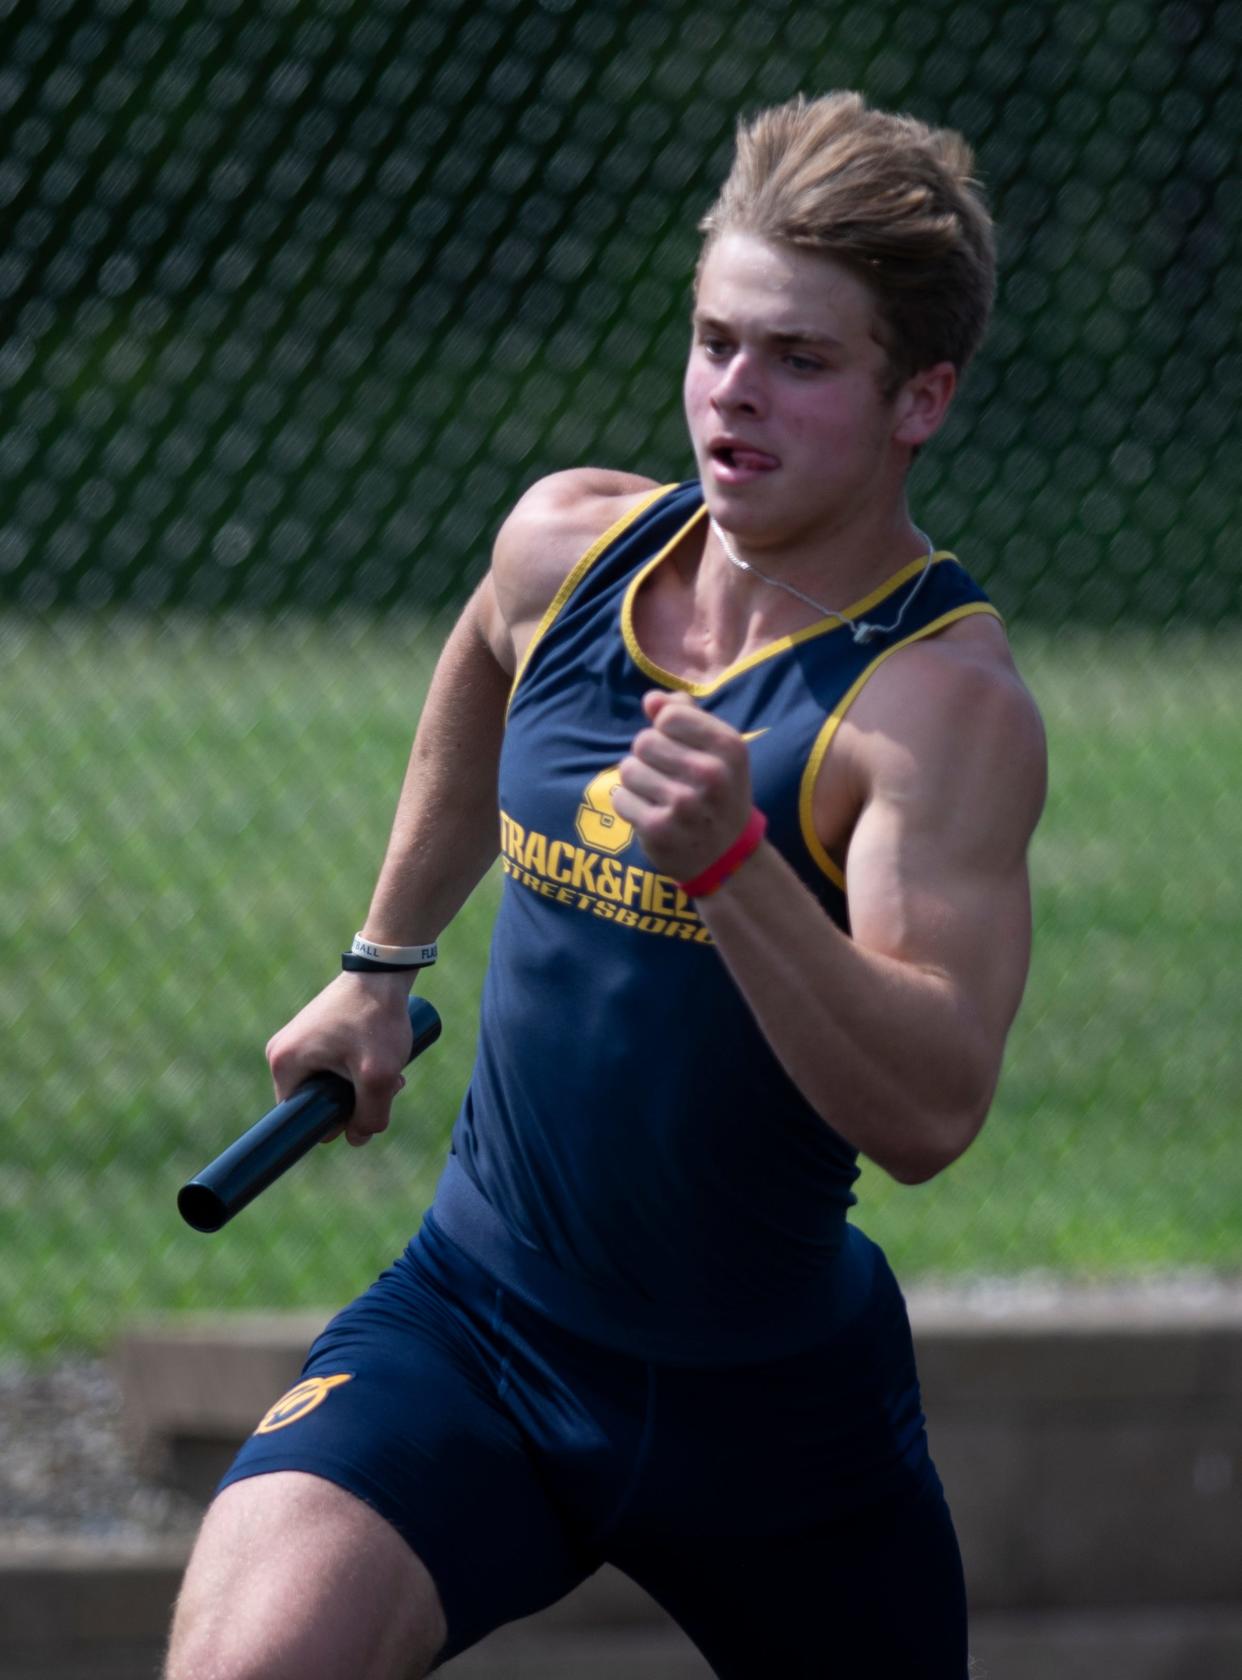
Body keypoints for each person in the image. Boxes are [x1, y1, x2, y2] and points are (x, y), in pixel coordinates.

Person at [166, 91, 1045, 1678]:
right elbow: (481, 665)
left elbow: (929, 1113)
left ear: (921, 396)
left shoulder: (936, 709)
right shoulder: (566, 547)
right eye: (715, 340)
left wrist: (735, 871)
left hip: (777, 1409)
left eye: (799, 360)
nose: (732, 394)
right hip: (481, 1332)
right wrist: (381, 963)